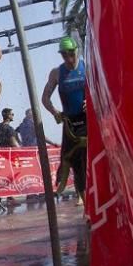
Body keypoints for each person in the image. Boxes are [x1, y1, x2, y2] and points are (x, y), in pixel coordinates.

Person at [42, 36, 87, 202]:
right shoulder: (56, 73)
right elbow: (45, 97)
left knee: (90, 159)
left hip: (88, 121)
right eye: (64, 55)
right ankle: (84, 202)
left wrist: (91, 100)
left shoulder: (86, 67)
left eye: (71, 54)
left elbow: (101, 88)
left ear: (77, 51)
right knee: (76, 164)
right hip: (70, 124)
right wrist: (55, 112)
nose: (68, 59)